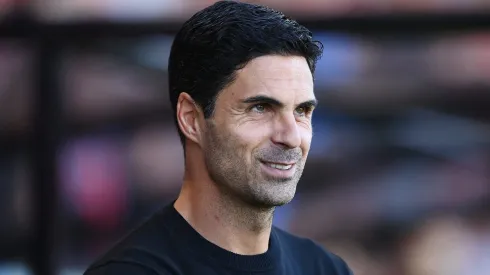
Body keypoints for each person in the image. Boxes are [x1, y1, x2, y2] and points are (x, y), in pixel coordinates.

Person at [84, 1, 353, 274]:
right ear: (191, 119)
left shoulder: (324, 267)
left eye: (302, 111)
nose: (291, 137)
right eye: (260, 108)